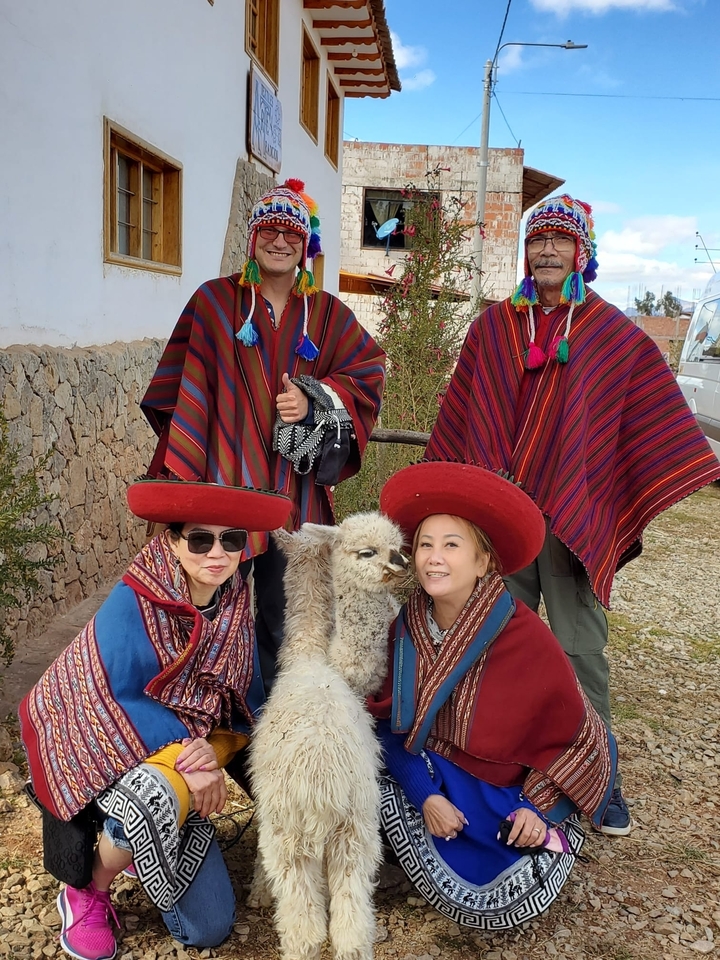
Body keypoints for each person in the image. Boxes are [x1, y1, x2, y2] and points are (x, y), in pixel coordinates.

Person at [424, 194, 720, 835]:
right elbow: (464, 413)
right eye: (538, 241)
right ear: (525, 252)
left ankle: (600, 780)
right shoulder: (493, 327)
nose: (548, 251)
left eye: (561, 241)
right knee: (497, 642)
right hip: (498, 523)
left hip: (569, 520)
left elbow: (647, 412)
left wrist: (610, 489)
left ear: (583, 252)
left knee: (580, 651)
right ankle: (505, 767)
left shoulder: (611, 334)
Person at [19, 480, 292, 960]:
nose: (217, 552)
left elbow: (238, 704)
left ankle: (136, 843)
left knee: (208, 928)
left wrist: (218, 749)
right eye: (200, 538)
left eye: (231, 539)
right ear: (171, 541)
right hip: (97, 751)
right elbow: (114, 701)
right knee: (155, 797)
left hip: (177, 764)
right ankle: (88, 890)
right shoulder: (134, 600)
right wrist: (196, 762)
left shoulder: (231, 606)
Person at [141, 178, 385, 694]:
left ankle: (275, 720)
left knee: (288, 616)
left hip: (294, 497)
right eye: (269, 230)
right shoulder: (214, 302)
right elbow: (182, 390)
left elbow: (368, 368)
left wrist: (315, 395)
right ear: (253, 238)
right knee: (211, 610)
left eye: (292, 233)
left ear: (306, 244)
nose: (280, 241)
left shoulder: (326, 313)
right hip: (221, 487)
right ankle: (205, 715)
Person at [368, 461, 616, 929]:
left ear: (483, 562)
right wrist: (424, 797)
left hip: (509, 793)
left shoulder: (524, 635)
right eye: (424, 544)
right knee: (353, 773)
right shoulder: (405, 627)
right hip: (431, 775)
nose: (433, 558)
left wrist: (538, 808)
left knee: (503, 901)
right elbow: (384, 723)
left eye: (451, 545)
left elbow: (580, 735)